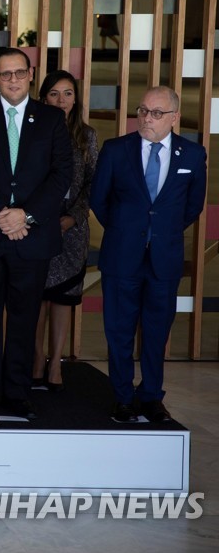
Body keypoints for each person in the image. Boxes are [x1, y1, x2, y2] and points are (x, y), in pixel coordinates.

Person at [0, 48, 72, 420]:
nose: (14, 80)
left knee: (24, 319)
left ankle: (18, 392)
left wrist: (27, 215)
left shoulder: (52, 118)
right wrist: (1, 214)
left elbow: (61, 175)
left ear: (31, 74)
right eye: (5, 74)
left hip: (32, 237)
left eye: (20, 72)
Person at [90, 86, 206, 423]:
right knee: (119, 330)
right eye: (142, 110)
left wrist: (159, 234)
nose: (146, 118)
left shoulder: (193, 155)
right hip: (122, 255)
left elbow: (192, 207)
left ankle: (152, 396)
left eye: (156, 113)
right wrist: (128, 231)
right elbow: (100, 201)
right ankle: (124, 398)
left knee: (157, 332)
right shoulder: (115, 150)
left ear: (174, 118)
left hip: (164, 260)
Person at [31, 70, 98, 392]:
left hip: (71, 231)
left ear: (76, 98)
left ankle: (55, 363)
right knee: (36, 300)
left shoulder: (87, 137)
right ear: (43, 98)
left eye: (68, 93)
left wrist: (73, 217)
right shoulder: (33, 132)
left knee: (62, 301)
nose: (61, 100)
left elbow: (91, 184)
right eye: (54, 94)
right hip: (36, 226)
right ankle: (35, 359)